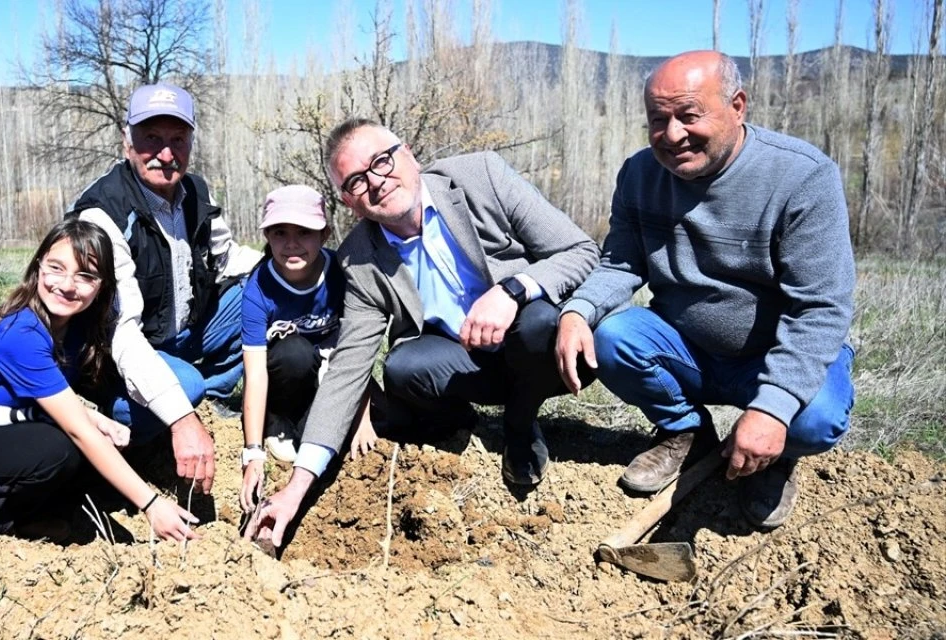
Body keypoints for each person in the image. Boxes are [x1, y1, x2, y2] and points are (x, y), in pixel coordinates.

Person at [244, 118, 600, 547]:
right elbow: (347, 370)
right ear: (347, 201)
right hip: (465, 359)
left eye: (381, 161)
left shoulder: (480, 176)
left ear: (408, 153)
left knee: (539, 319)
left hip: (539, 344)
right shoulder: (359, 259)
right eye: (356, 180)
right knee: (402, 367)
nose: (376, 181)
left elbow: (581, 249)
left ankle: (520, 424)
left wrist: (512, 290)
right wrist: (296, 488)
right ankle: (463, 422)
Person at [554, 51, 855, 529]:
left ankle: (769, 458)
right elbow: (621, 261)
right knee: (612, 336)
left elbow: (820, 307)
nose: (673, 135)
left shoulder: (801, 177)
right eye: (659, 120)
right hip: (689, 347)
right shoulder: (639, 175)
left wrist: (772, 408)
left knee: (815, 418)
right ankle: (685, 431)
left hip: (772, 354)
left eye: (689, 116)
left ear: (738, 106)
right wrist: (577, 311)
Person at [0, 219, 198, 542]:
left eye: (86, 275)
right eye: (56, 267)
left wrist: (97, 419)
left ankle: (38, 507)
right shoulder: (20, 333)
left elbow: (41, 396)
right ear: (39, 267)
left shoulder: (74, 327)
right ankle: (8, 521)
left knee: (92, 453)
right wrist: (151, 504)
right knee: (60, 449)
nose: (67, 285)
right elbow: (75, 429)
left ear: (102, 286)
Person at [68, 83, 255, 495]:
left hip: (178, 336)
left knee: (258, 293)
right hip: (112, 361)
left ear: (191, 141)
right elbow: (121, 334)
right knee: (184, 389)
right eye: (151, 138)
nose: (166, 154)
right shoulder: (104, 215)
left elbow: (228, 259)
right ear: (127, 141)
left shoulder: (195, 193)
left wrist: (302, 270)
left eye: (177, 140)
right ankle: (120, 428)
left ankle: (208, 396)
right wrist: (181, 418)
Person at [237, 185, 377, 512]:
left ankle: (314, 425)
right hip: (285, 376)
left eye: (304, 232)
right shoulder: (258, 289)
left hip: (333, 374)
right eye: (280, 233)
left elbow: (361, 347)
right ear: (267, 236)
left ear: (325, 234)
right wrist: (253, 452)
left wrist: (363, 417)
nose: (291, 244)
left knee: (362, 430)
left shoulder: (342, 275)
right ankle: (280, 422)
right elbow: (255, 374)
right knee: (295, 352)